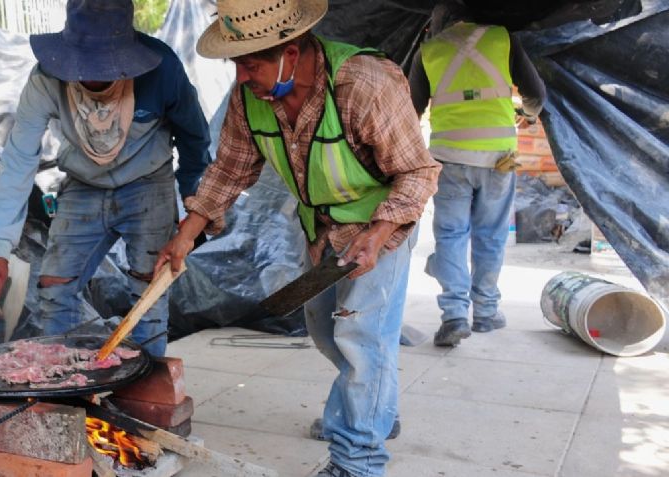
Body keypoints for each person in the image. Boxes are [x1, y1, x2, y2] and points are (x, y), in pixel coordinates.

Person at [155, 1, 440, 475]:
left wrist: (377, 234)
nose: (242, 78)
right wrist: (185, 235)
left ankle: (358, 460)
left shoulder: (365, 83)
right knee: (326, 333)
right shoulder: (252, 97)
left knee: (361, 338)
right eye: (237, 65)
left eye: (251, 64)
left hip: (380, 230)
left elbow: (417, 173)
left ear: (291, 51)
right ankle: (374, 410)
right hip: (321, 232)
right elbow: (229, 169)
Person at [0, 0, 212, 357]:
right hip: (82, 185)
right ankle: (64, 386)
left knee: (148, 292)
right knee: (54, 288)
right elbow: (19, 160)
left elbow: (195, 138)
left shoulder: (162, 70)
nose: (91, 75)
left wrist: (194, 211)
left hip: (148, 183)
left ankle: (145, 395)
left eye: (104, 67)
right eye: (82, 66)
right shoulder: (45, 79)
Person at [408, 1, 547, 347]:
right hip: (498, 156)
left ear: (438, 25)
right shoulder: (502, 38)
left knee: (451, 235)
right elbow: (536, 95)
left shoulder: (428, 50)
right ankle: (485, 312)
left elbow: (411, 109)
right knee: (491, 234)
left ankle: (454, 315)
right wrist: (527, 115)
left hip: (449, 157)